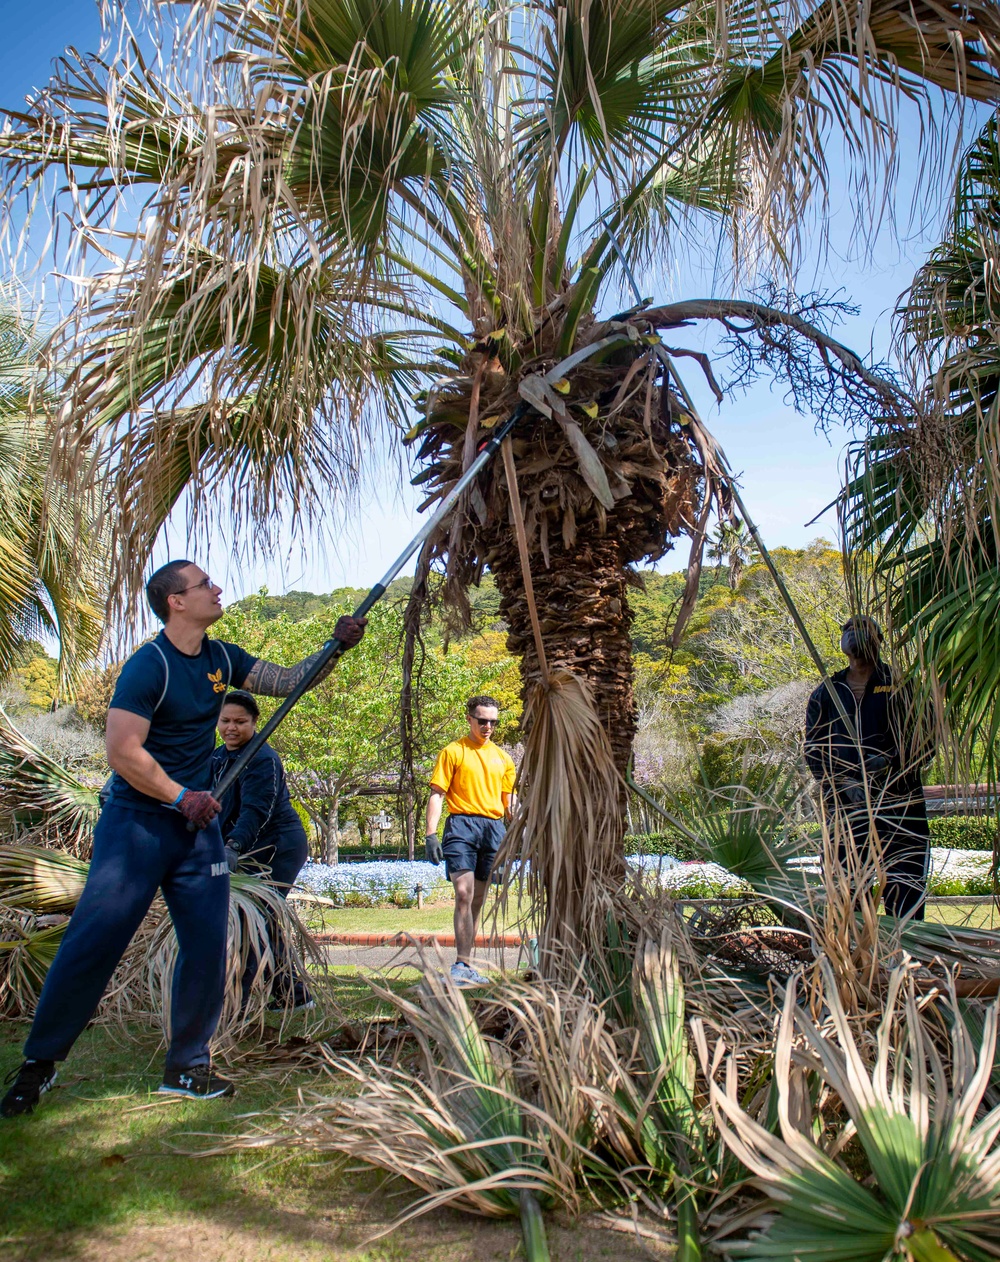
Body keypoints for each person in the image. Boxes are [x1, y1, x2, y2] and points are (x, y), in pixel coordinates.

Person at [1, 561, 365, 1118]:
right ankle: (39, 1066)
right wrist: (180, 796)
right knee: (94, 941)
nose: (217, 590)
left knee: (205, 944)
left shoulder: (223, 658)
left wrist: (333, 649)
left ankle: (188, 1066)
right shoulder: (149, 667)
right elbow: (123, 751)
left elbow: (288, 682)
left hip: (197, 831)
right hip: (137, 827)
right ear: (175, 601)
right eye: (204, 585)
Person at [804, 615, 932, 920]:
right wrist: (841, 784)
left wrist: (892, 767)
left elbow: (926, 742)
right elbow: (814, 751)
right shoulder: (827, 692)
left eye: (863, 630)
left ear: (878, 640)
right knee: (847, 898)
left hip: (900, 809)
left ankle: (905, 960)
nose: (854, 635)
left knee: (906, 892)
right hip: (848, 812)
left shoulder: (901, 684)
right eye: (849, 629)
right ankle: (855, 962)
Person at [209, 689, 313, 1012]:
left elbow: (255, 811)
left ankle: (241, 999)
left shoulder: (262, 759)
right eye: (225, 720)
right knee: (260, 918)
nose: (231, 727)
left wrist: (233, 846)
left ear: (255, 722)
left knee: (254, 914)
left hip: (277, 846)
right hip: (245, 849)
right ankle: (289, 994)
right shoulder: (216, 758)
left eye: (240, 721)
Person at [425, 695, 516, 987]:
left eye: (493, 721)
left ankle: (466, 964)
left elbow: (510, 802)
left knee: (478, 898)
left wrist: (522, 834)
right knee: (463, 893)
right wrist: (430, 834)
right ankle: (461, 965)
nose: (488, 726)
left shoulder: (504, 758)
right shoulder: (453, 752)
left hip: (493, 828)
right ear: (469, 719)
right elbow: (437, 794)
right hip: (461, 826)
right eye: (482, 720)